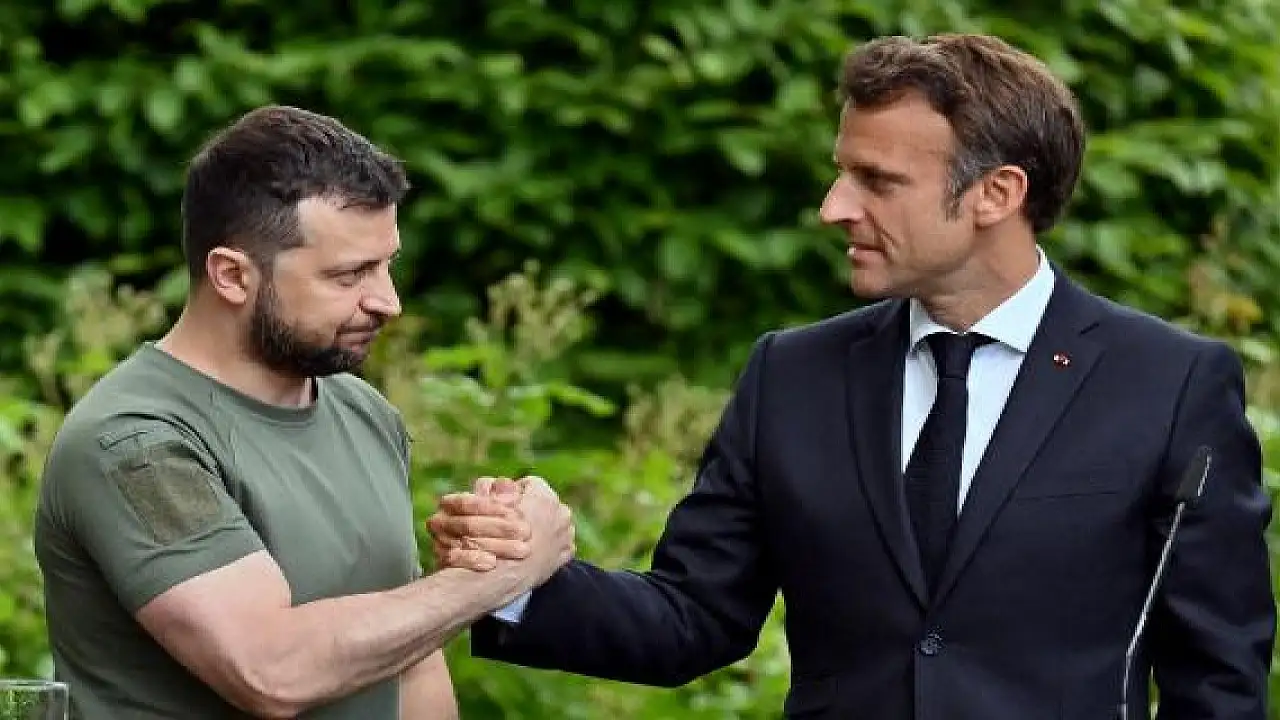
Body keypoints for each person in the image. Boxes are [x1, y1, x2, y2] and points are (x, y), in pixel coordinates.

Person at [427, 33, 1276, 719]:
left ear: (997, 194)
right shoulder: (791, 374)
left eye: (878, 181)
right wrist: (515, 578)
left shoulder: (1170, 384)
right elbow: (692, 617)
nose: (834, 207)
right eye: (842, 171)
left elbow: (1219, 678)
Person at [33, 105, 575, 720]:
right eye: (349, 275)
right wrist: (504, 573)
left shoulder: (362, 411)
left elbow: (409, 661)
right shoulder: (134, 443)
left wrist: (484, 553)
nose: (388, 301)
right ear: (232, 275)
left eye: (386, 265)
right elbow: (270, 670)